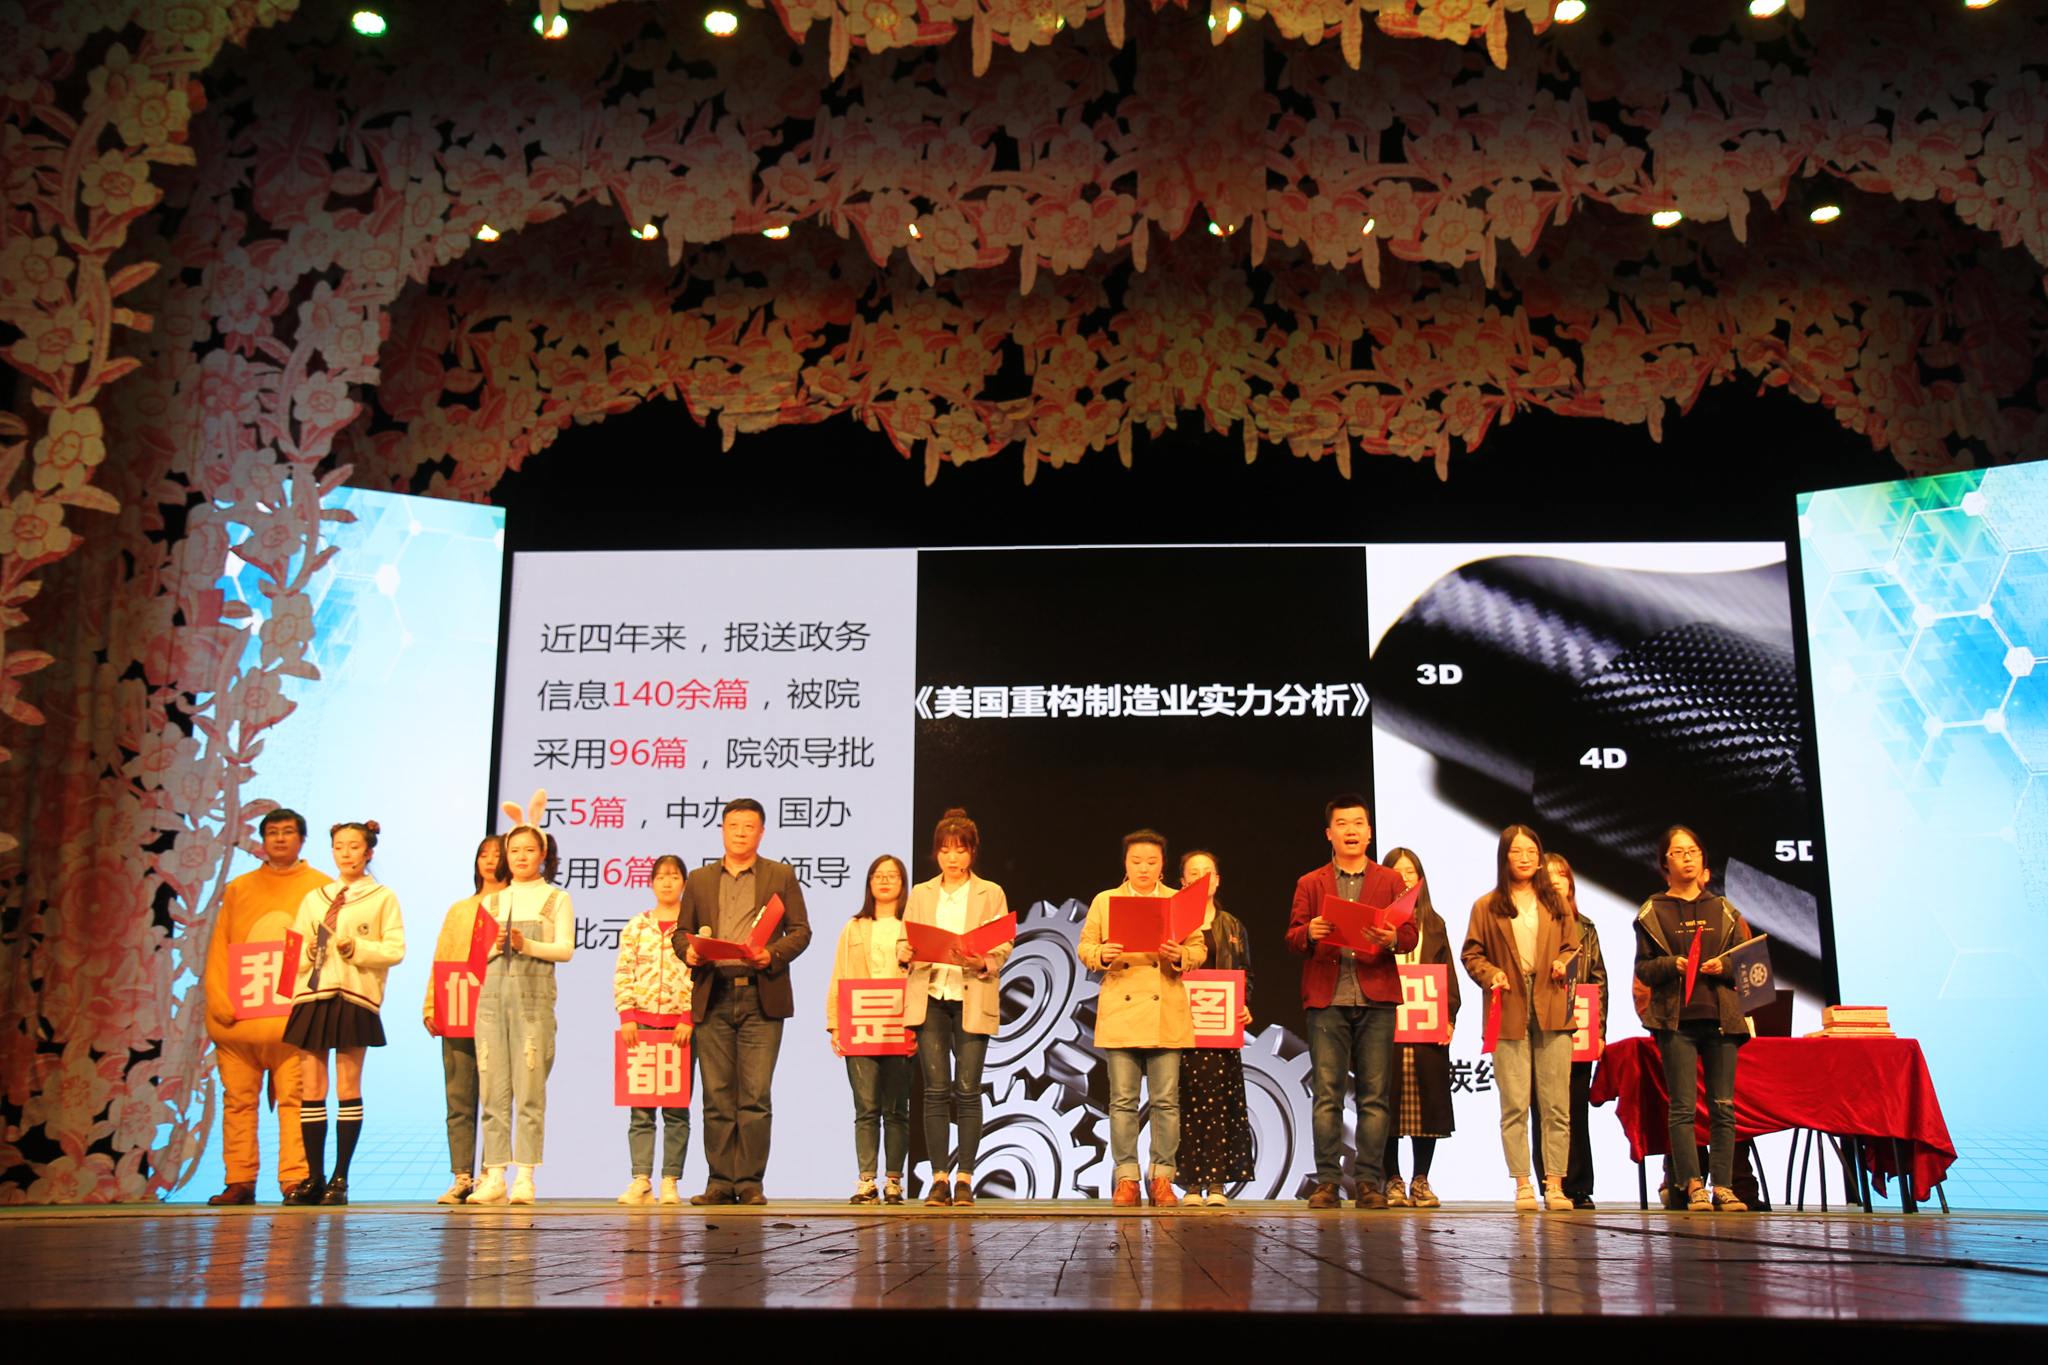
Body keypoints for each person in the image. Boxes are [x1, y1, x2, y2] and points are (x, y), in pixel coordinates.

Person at [671, 798, 812, 1206]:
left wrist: (773, 955)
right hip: (714, 993)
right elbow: (680, 933)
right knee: (716, 1095)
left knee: (755, 1096)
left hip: (760, 994)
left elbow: (800, 931)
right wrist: (688, 952)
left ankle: (749, 1182)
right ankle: (719, 1182)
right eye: (733, 825)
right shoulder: (699, 879)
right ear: (722, 829)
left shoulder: (780, 874)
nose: (740, 833)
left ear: (761, 832)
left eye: (749, 826)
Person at [1287, 795, 1418, 1210]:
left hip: (1376, 995)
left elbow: (1410, 934)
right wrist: (1311, 933)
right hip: (1328, 998)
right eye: (1342, 824)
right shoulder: (1311, 882)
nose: (1351, 831)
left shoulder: (1390, 880)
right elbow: (1292, 937)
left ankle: (1367, 1182)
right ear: (1330, 833)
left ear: (1369, 832)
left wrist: (1392, 938)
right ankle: (1327, 1181)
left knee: (1374, 1096)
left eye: (1358, 823)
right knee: (1327, 1095)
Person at [203, 808, 332, 1205]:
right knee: (238, 1102)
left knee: (298, 1101)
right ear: (262, 840)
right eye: (272, 832)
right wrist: (219, 999)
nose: (279, 838)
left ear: (302, 839)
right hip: (240, 1024)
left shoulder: (321, 888)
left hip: (292, 1021)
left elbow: (326, 951)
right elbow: (220, 946)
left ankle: (295, 1178)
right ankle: (239, 1179)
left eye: (288, 831)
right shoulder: (239, 888)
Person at [1078, 829, 1206, 1207]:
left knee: (1166, 1100)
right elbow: (1085, 946)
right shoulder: (1106, 900)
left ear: (1163, 865)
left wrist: (1181, 954)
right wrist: (1101, 954)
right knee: (1122, 1101)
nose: (1144, 868)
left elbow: (1198, 949)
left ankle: (1163, 1178)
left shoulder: (1178, 901)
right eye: (1136, 861)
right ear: (1126, 863)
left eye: (1151, 861)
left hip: (1165, 1006)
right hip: (1121, 1006)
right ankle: (1127, 1178)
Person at [281, 820, 406, 1206]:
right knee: (312, 1089)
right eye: (339, 846)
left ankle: (340, 1179)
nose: (346, 853)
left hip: (354, 997)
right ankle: (314, 1178)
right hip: (312, 997)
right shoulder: (314, 898)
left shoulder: (381, 897)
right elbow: (293, 952)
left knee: (348, 1088)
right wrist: (308, 951)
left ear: (369, 852)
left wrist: (357, 949)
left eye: (354, 846)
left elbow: (395, 950)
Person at [1460, 824, 1580, 1212]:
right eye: (1517, 852)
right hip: (1508, 1004)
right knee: (1514, 1103)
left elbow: (1574, 948)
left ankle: (1555, 1185)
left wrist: (1563, 963)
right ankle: (1523, 1183)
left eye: (1532, 852)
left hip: (1552, 1003)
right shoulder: (1486, 905)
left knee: (1556, 1104)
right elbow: (1471, 954)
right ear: (1504, 858)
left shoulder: (1556, 902)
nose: (1525, 859)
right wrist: (1490, 973)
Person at [1634, 825, 1752, 1213]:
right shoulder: (1653, 911)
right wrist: (1673, 964)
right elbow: (1644, 969)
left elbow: (1748, 966)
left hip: (1720, 1019)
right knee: (1682, 1108)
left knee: (1723, 1107)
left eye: (1694, 852)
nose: (1687, 858)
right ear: (1664, 863)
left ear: (1703, 860)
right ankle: (1692, 1186)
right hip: (1675, 1021)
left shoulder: (1723, 909)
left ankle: (1724, 1187)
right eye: (1678, 852)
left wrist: (1724, 967)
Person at [903, 809, 1012, 1207]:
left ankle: (965, 1177)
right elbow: (905, 939)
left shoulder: (990, 892)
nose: (952, 858)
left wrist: (983, 960)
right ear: (936, 853)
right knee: (935, 1090)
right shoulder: (921, 893)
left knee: (967, 1089)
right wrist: (905, 952)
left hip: (972, 993)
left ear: (972, 853)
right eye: (945, 850)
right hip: (931, 995)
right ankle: (939, 1179)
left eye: (960, 850)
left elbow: (1003, 942)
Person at [469, 824, 574, 1206]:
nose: (520, 857)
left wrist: (525, 943)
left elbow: (565, 949)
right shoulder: (492, 902)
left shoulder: (556, 898)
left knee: (530, 1092)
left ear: (543, 855)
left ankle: (525, 1176)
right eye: (514, 850)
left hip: (533, 1001)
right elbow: (475, 957)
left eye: (529, 850)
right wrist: (497, 946)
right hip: (491, 1002)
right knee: (492, 1090)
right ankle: (494, 1175)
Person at [422, 834, 510, 1204]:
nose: (489, 860)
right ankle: (461, 1176)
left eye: (496, 854)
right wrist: (432, 1005)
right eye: (483, 854)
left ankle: (491, 1175)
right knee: (459, 1096)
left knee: (495, 1098)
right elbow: (442, 955)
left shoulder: (514, 905)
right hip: (457, 1002)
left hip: (499, 1007)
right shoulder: (460, 909)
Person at [825, 855, 917, 1205]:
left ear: (903, 883)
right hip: (861, 1021)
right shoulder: (854, 927)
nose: (885, 880)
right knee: (865, 1108)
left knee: (896, 1108)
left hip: (899, 1022)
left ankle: (894, 1181)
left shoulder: (912, 926)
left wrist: (918, 1026)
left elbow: (923, 978)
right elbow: (839, 974)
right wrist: (835, 1024)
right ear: (869, 882)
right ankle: (866, 1181)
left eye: (892, 875)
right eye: (878, 875)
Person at [1379, 846, 1459, 1211]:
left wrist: (1449, 1017)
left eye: (1410, 872)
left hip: (1426, 1024)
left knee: (1427, 1102)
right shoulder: (1377, 922)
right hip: (1387, 1024)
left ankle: (1421, 1179)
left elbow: (1448, 974)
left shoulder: (1435, 923)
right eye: (1398, 872)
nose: (1405, 878)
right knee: (1385, 1102)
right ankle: (1393, 1179)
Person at [1175, 850, 1254, 1207]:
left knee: (1221, 1103)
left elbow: (1246, 972)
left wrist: (1244, 1004)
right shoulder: (1174, 922)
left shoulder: (1233, 926)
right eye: (1194, 872)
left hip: (1220, 1029)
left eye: (1208, 871)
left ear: (1218, 880)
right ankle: (1192, 1182)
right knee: (1184, 1102)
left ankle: (1217, 1182)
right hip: (1182, 1026)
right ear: (1183, 882)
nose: (1202, 877)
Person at [615, 854, 694, 1206]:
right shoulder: (636, 926)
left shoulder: (693, 928)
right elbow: (624, 971)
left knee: (676, 1110)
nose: (667, 882)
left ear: (684, 884)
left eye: (674, 876)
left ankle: (670, 1180)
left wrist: (688, 1017)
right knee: (641, 1109)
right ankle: (641, 1179)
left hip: (679, 1028)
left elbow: (699, 975)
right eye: (660, 876)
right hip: (641, 1025)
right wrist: (627, 1016)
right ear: (650, 882)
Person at [1534, 852, 1606, 1210]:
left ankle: (1578, 1185)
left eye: (1561, 874)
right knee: (1543, 1108)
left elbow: (1599, 981)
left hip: (1580, 1024)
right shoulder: (1530, 924)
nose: (1556, 881)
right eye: (1549, 875)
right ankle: (1551, 1182)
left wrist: (1600, 1030)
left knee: (1576, 1108)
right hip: (1541, 1025)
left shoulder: (1586, 928)